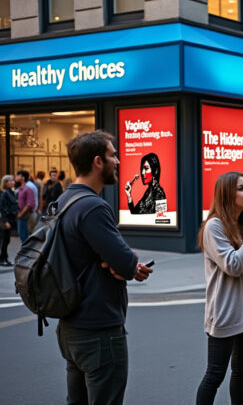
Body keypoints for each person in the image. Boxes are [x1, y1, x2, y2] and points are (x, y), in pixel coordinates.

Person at [56, 131, 153, 405]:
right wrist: (126, 264)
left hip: (69, 326)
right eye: (113, 156)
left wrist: (116, 262)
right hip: (98, 328)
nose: (118, 162)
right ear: (98, 162)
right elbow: (125, 262)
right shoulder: (93, 207)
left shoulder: (62, 202)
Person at [195, 171, 243, 405]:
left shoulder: (241, 223)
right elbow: (234, 266)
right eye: (241, 188)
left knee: (241, 370)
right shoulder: (214, 226)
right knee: (215, 374)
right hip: (226, 310)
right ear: (227, 194)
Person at [0, 175, 17, 266]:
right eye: (10, 181)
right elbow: (3, 208)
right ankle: (2, 259)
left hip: (10, 219)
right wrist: (5, 221)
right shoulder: (4, 193)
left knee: (7, 239)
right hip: (6, 220)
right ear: (6, 183)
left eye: (13, 180)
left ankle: (5, 258)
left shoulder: (11, 192)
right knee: (4, 239)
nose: (13, 182)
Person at [15, 170, 35, 243]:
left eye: (18, 175)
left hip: (24, 215)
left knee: (24, 236)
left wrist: (21, 214)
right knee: (21, 234)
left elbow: (30, 204)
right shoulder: (20, 189)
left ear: (22, 178)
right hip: (20, 215)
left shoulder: (28, 189)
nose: (16, 177)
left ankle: (26, 249)